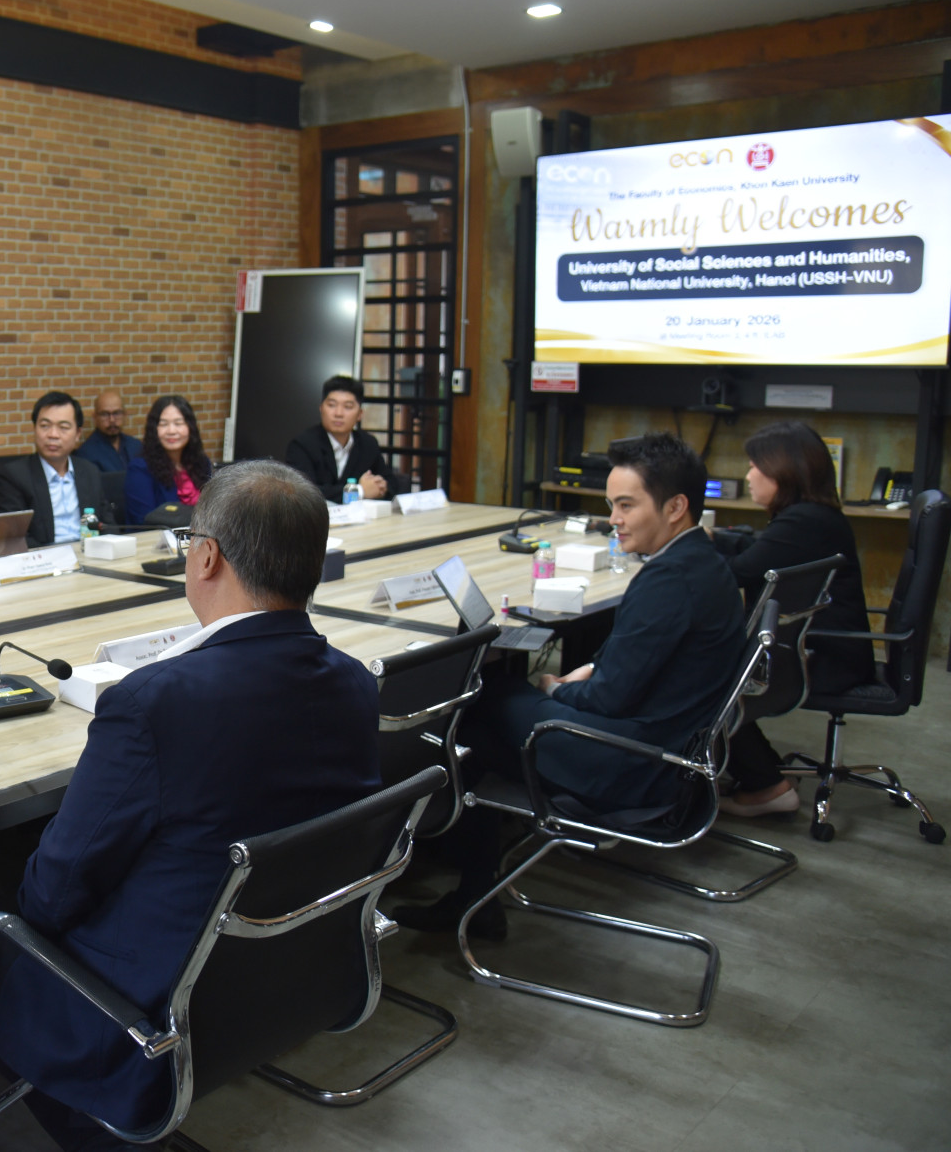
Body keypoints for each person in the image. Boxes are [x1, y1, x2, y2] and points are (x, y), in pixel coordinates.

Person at [0, 461, 379, 1147]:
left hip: (146, 1018)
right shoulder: (356, 683)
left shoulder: (156, 702)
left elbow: (50, 898)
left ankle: (97, 1125)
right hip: (293, 977)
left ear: (206, 556)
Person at [395, 432, 746, 939]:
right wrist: (591, 671)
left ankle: (445, 870)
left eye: (626, 505)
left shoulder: (670, 580)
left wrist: (558, 688)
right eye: (611, 505)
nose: (614, 519)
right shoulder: (703, 563)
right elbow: (643, 663)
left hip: (633, 764)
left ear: (675, 507)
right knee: (486, 712)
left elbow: (609, 698)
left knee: (474, 699)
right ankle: (472, 884)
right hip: (668, 750)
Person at [711, 421, 874, 818]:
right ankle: (763, 776)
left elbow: (738, 572)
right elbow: (760, 549)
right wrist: (713, 539)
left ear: (783, 471)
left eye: (755, 466)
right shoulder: (813, 516)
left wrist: (680, 550)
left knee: (696, 673)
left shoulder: (804, 521)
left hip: (823, 658)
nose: (748, 475)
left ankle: (765, 786)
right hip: (826, 648)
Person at [0, 391, 105, 548]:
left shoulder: (90, 472)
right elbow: (15, 537)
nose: (53, 435)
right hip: (45, 557)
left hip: (88, 553)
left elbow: (106, 524)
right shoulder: (15, 476)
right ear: (34, 428)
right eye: (45, 426)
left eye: (63, 427)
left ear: (77, 434)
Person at [283, 374, 407, 502]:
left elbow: (391, 483)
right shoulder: (302, 445)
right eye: (332, 405)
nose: (338, 413)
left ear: (360, 414)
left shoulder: (368, 443)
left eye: (348, 407)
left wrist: (380, 487)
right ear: (321, 408)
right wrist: (360, 491)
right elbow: (302, 493)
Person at [123, 394, 213, 523]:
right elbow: (143, 520)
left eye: (178, 423)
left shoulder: (202, 463)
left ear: (190, 427)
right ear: (154, 430)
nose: (171, 431)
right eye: (163, 424)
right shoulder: (140, 468)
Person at [73, 390, 142, 475]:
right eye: (105, 414)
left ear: (125, 415)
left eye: (116, 413)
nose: (112, 420)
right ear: (95, 417)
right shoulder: (86, 454)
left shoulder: (136, 445)